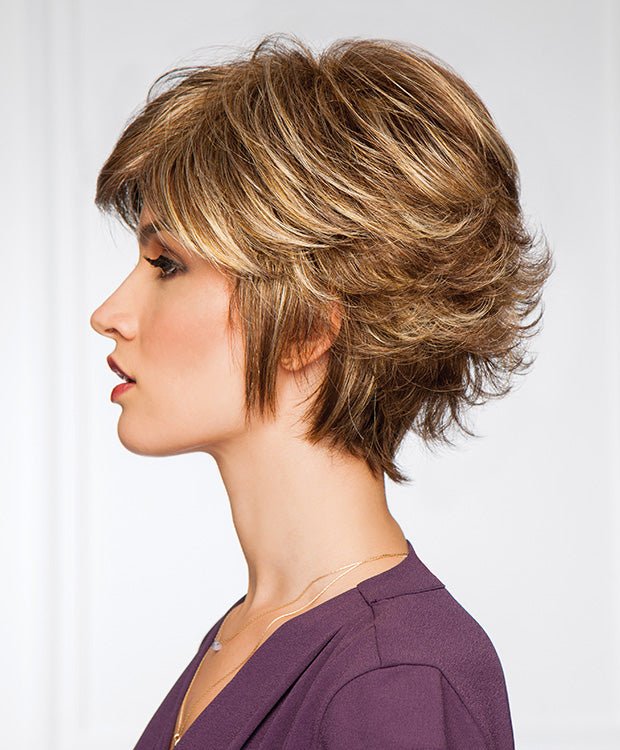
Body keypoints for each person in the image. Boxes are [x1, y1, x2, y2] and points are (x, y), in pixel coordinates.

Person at [90, 32, 552, 750]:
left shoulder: (394, 681)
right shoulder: (255, 632)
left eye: (167, 264)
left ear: (306, 325)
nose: (108, 314)